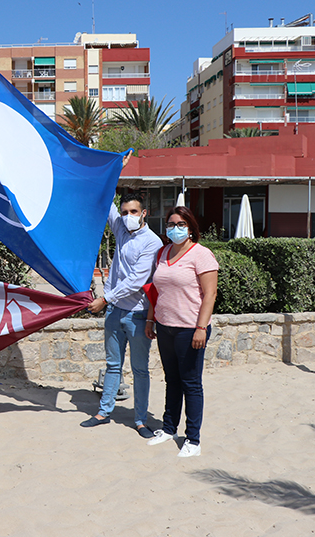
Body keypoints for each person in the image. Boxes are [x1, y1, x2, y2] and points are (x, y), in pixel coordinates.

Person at [82, 184, 163, 438]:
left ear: (144, 213)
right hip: (115, 312)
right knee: (113, 365)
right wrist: (114, 169)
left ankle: (139, 420)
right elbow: (106, 203)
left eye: (133, 211)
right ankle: (104, 412)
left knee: (139, 370)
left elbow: (136, 281)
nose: (128, 216)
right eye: (125, 211)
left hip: (137, 314)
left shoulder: (152, 242)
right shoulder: (120, 229)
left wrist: (105, 299)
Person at [144, 206, 218, 458]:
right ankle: (168, 428)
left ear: (190, 228)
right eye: (171, 223)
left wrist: (200, 328)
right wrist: (151, 319)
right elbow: (156, 291)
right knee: (172, 380)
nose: (175, 228)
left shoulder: (202, 255)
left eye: (181, 224)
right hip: (165, 327)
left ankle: (193, 440)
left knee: (191, 383)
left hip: (190, 329)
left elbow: (210, 295)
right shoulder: (162, 253)